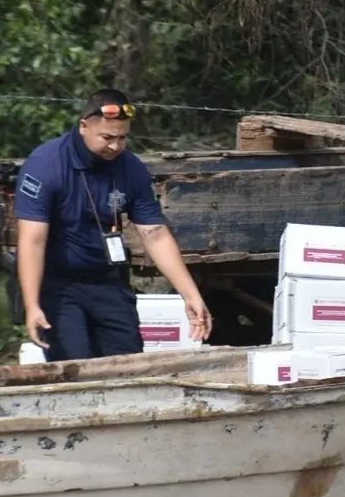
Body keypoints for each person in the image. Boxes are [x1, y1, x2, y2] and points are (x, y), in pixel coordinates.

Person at [13, 88, 211, 361]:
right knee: (76, 366)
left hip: (109, 281)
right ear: (84, 126)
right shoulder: (46, 165)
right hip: (60, 286)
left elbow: (154, 234)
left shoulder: (130, 167)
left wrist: (189, 295)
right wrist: (32, 305)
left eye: (122, 138)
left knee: (127, 366)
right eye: (107, 138)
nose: (115, 146)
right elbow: (32, 240)